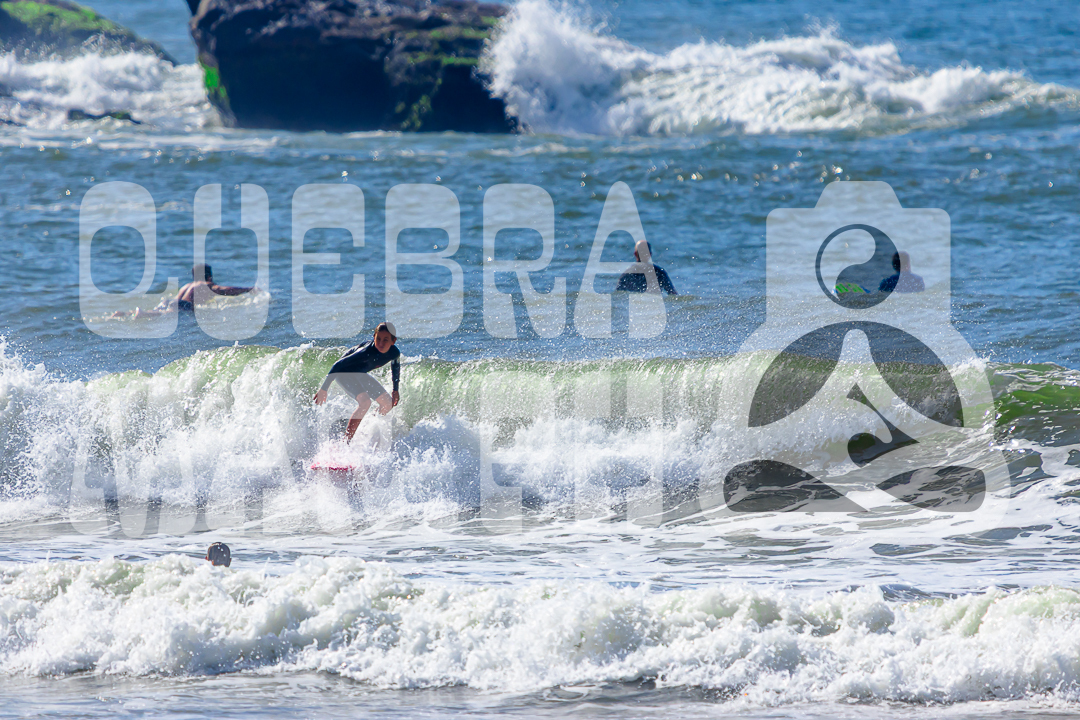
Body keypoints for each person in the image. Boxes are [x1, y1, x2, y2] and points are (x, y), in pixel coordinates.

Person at [313, 322, 401, 442]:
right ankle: (346, 442)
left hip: (359, 374)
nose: (381, 343)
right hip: (343, 373)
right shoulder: (366, 352)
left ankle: (365, 426)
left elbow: (395, 367)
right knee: (365, 402)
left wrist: (395, 390)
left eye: (385, 340)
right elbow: (338, 364)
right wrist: (324, 389)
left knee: (387, 403)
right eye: (378, 339)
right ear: (374, 337)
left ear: (393, 341)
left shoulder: (394, 353)